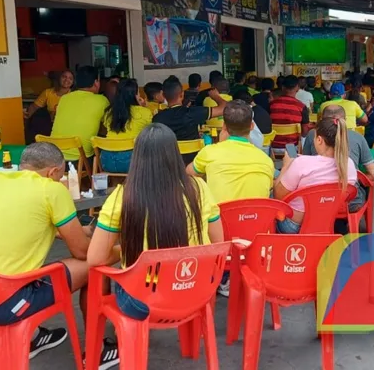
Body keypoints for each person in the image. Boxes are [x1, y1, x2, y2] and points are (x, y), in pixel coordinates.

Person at [0, 142, 119, 366]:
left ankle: (33, 338)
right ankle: (96, 352)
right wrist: (121, 250)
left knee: (18, 264)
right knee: (94, 267)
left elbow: (22, 223)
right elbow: (83, 252)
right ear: (53, 172)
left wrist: (81, 230)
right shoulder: (51, 189)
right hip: (1, 303)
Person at [87, 124, 224, 321]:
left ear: (136, 157)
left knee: (115, 278)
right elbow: (218, 242)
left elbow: (95, 259)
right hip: (194, 292)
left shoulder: (122, 196)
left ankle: (121, 341)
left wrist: (132, 252)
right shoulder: (199, 188)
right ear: (175, 154)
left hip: (141, 302)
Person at [274, 117, 357, 234]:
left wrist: (286, 166)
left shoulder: (301, 164)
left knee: (271, 194)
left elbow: (278, 196)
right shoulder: (348, 165)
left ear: (319, 140)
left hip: (294, 227)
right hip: (326, 224)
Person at [187, 100, 274, 204]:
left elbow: (188, 174)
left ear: (224, 126)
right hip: (255, 218)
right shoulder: (266, 160)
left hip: (219, 218)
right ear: (251, 126)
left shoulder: (210, 152)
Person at [303, 106, 374, 232]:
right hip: (351, 201)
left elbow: (305, 165)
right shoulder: (357, 138)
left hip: (319, 202)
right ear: (344, 121)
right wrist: (358, 178)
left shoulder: (312, 135)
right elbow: (373, 173)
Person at [153, 78, 227, 164]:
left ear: (163, 95)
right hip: (193, 162)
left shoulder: (157, 118)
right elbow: (224, 108)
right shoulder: (192, 112)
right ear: (182, 94)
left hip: (168, 163)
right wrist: (216, 96)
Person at [51, 66, 110, 162]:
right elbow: (110, 127)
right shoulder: (101, 100)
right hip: (81, 159)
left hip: (54, 157)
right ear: (96, 83)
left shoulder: (64, 98)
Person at [100, 79, 152, 173]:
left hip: (107, 162)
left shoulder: (109, 113)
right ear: (135, 95)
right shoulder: (144, 112)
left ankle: (117, 186)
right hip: (132, 162)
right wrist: (144, 107)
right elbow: (152, 132)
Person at [269, 75, 312, 149]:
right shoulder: (301, 107)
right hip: (292, 148)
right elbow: (304, 132)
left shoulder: (271, 105)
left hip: (273, 147)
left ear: (282, 88)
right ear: (297, 88)